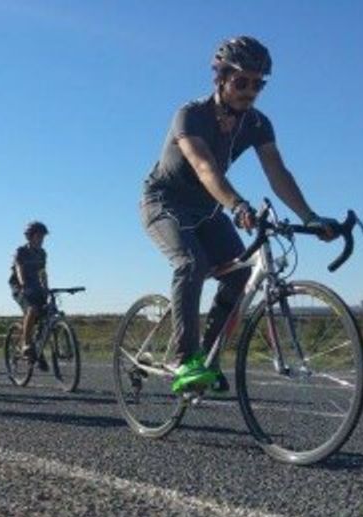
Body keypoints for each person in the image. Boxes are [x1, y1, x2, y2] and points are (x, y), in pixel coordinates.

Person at [141, 36, 337, 394]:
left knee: (240, 274)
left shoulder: (257, 124)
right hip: (164, 202)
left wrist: (309, 216)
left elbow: (277, 172)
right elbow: (204, 167)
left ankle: (209, 357)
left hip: (207, 208)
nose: (250, 91)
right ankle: (187, 360)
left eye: (258, 84)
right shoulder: (191, 115)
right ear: (220, 78)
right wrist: (237, 205)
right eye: (241, 81)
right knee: (191, 263)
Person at [9, 220, 50, 369]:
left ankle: (37, 349)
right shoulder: (21, 251)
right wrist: (23, 284)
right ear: (30, 237)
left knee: (47, 316)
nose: (41, 240)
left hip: (36, 287)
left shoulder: (42, 253)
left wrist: (46, 288)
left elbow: (42, 273)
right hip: (19, 287)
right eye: (39, 237)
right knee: (32, 310)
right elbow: (19, 268)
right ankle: (26, 344)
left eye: (43, 237)